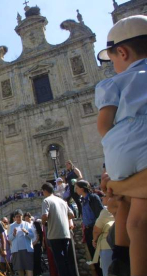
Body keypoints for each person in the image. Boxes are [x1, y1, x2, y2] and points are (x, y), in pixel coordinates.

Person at [95, 15, 147, 276]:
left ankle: (123, 258)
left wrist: (113, 146)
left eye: (112, 58)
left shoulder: (113, 83)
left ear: (122, 52)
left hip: (123, 148)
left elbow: (104, 124)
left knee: (134, 218)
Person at [41, 183, 75, 276]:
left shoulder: (46, 201)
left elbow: (45, 215)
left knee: (60, 261)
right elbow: (72, 215)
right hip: (65, 233)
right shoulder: (62, 201)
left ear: (44, 191)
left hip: (54, 234)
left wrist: (43, 222)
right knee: (68, 260)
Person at [75, 180, 104, 276]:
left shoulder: (93, 198)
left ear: (82, 189)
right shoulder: (83, 200)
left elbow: (100, 215)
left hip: (95, 230)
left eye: (77, 188)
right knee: (93, 256)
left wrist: (97, 232)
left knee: (99, 256)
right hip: (88, 230)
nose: (75, 190)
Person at [91, 193, 114, 276]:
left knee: (108, 272)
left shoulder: (106, 211)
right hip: (124, 243)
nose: (102, 198)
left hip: (107, 245)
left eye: (104, 195)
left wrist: (94, 240)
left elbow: (96, 230)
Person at [8, 209, 34, 276]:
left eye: (19, 216)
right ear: (14, 218)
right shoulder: (11, 226)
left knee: (29, 268)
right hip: (16, 251)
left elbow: (32, 236)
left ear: (22, 216)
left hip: (27, 250)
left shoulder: (27, 224)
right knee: (20, 270)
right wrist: (13, 234)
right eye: (17, 216)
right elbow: (9, 238)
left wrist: (26, 232)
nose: (18, 218)